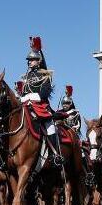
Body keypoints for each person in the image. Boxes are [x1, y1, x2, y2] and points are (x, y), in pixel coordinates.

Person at [20, 37, 62, 165]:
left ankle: (55, 154)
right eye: (29, 60)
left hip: (41, 106)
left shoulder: (45, 75)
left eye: (32, 60)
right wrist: (23, 97)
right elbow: (24, 93)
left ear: (39, 61)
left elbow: (44, 93)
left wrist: (29, 97)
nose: (29, 62)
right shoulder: (26, 76)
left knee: (50, 128)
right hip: (27, 105)